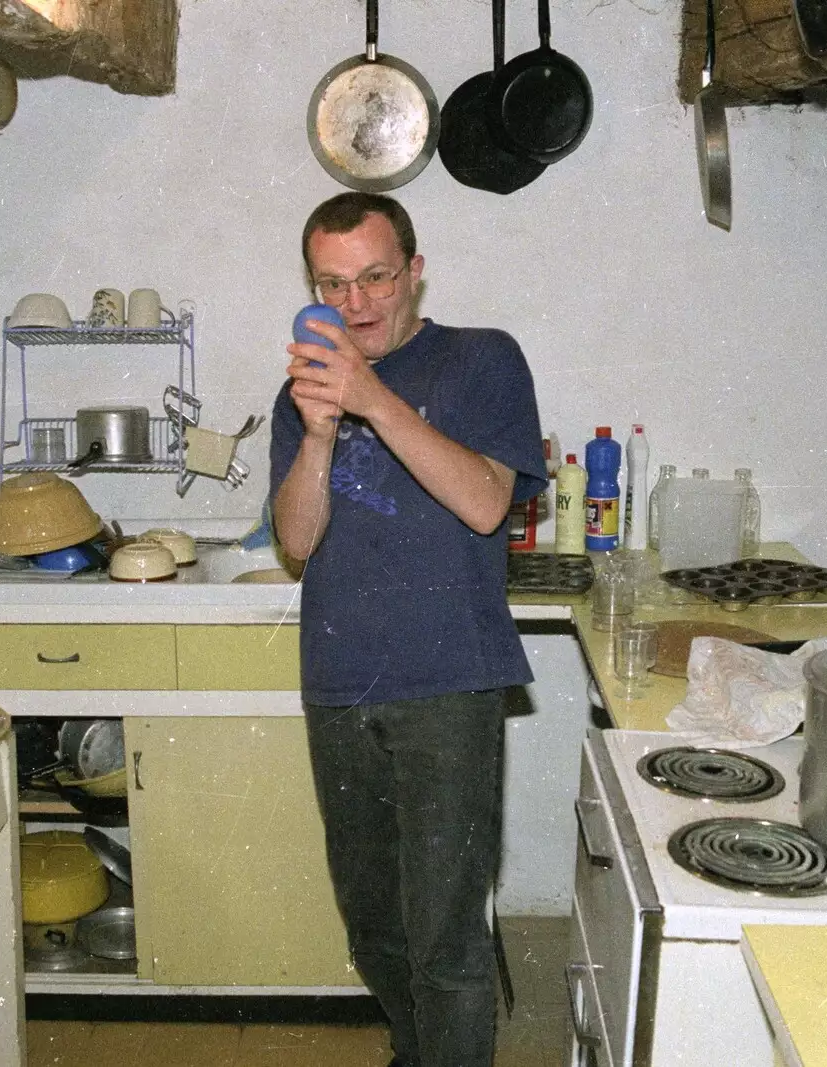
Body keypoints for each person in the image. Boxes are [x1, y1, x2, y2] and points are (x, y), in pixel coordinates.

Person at [267, 191, 547, 1067]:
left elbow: (486, 502)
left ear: (414, 272)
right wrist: (317, 433)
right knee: (374, 925)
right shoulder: (304, 395)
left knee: (447, 937)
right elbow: (297, 542)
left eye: (376, 277)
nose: (356, 304)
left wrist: (374, 400)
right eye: (332, 283)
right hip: (342, 685)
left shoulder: (481, 361)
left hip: (447, 686)